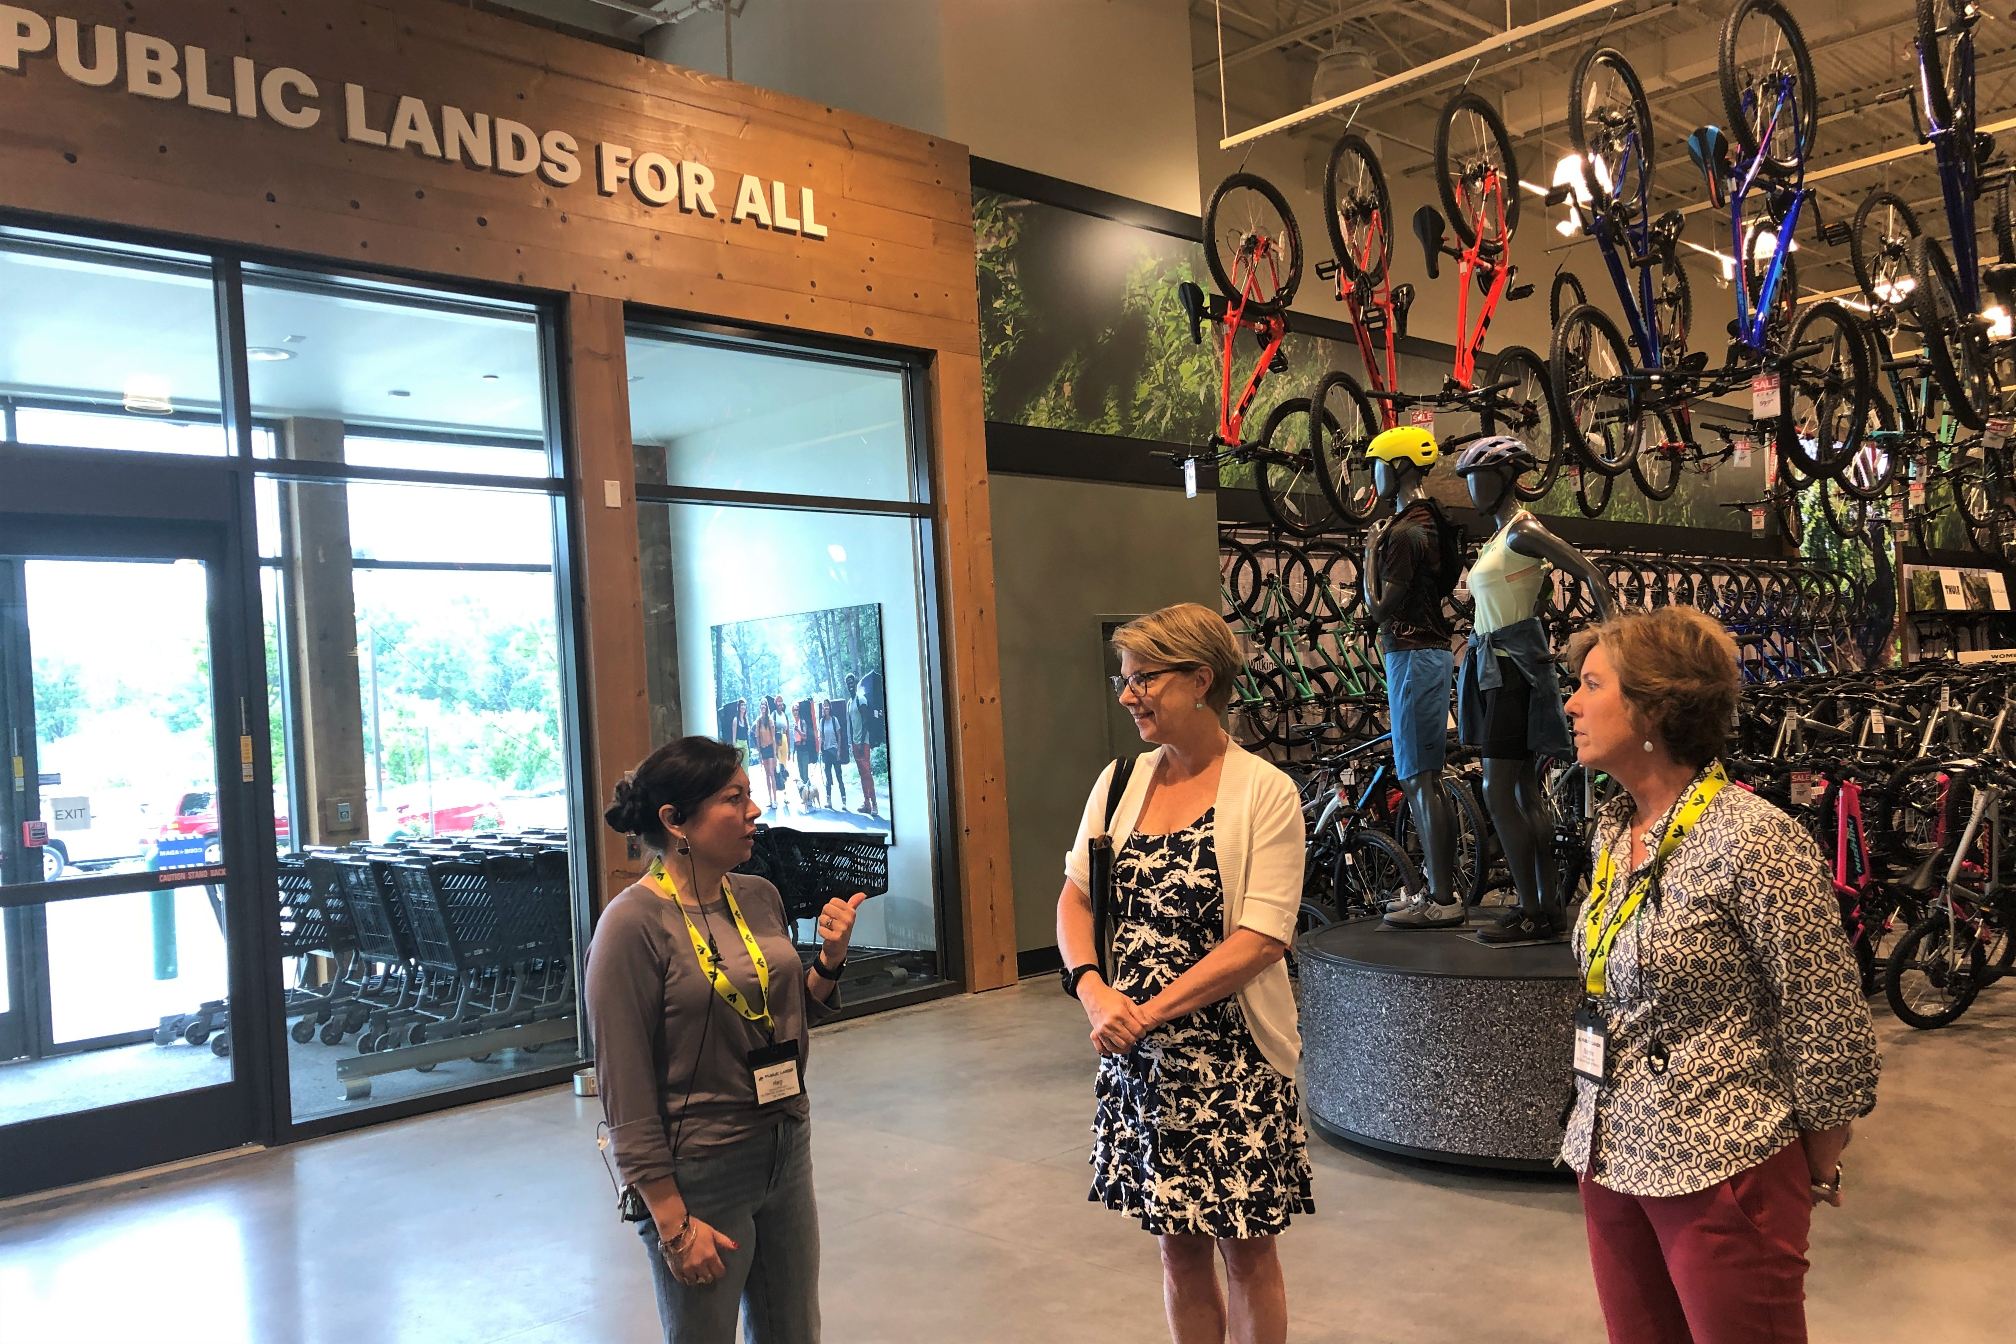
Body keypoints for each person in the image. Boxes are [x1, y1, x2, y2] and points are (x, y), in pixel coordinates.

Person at [1561, 608, 1880, 1344]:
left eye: (1590, 685)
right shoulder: (1615, 830)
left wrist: (1818, 1158)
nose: (1571, 704)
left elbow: (1826, 1014)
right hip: (1610, 1148)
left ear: (1654, 706)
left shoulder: (1756, 839)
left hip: (1723, 1159)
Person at [1054, 602, 1311, 1344]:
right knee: (1176, 1246)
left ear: (1201, 680)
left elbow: (1262, 938)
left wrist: (1149, 1009)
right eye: (1123, 680)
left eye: (1145, 679)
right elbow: (1074, 896)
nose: (1130, 694)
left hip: (1233, 1059)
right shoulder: (1118, 782)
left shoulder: (1265, 791)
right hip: (1138, 1055)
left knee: (1247, 1249)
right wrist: (1093, 989)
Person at [589, 736, 870, 1344]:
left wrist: (828, 962)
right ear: (675, 821)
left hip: (785, 1145)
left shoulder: (757, 896)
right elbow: (624, 1089)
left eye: (749, 795)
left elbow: (785, 1017)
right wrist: (670, 1219)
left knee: (794, 1332)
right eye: (733, 798)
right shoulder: (631, 926)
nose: (755, 811)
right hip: (699, 1170)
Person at [1453, 436, 1616, 944]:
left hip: (1513, 675)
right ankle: (1546, 909)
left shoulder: (1522, 529)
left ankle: (1532, 908)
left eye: (1477, 476)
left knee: (1498, 790)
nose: (1470, 487)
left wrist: (1618, 647)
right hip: (1498, 672)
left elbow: (1591, 574)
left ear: (1502, 477)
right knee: (1523, 791)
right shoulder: (1498, 538)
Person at [1360, 425, 1464, 929]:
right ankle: (1433, 889)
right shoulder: (1430, 522)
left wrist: (1367, 557)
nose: (1373, 473)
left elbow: (1381, 609)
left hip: (1415, 654)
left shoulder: (1402, 533)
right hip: (1422, 655)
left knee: (1422, 779)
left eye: (1377, 462)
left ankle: (1442, 899)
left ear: (1397, 465)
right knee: (1421, 777)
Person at [844, 673, 879, 819]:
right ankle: (866, 804)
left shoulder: (861, 699)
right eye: (848, 682)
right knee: (861, 774)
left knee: (867, 774)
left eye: (852, 681)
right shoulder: (849, 703)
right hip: (855, 742)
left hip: (863, 742)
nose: (850, 684)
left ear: (856, 683)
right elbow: (852, 724)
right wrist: (852, 743)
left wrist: (861, 742)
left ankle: (874, 803)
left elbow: (866, 721)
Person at [818, 701, 847, 811]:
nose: (826, 707)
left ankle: (844, 801)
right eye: (824, 706)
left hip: (834, 751)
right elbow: (821, 736)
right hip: (826, 752)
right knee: (828, 778)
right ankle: (828, 801)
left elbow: (839, 736)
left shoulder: (834, 720)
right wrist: (820, 749)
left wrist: (839, 750)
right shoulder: (822, 722)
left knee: (839, 777)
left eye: (827, 705)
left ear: (830, 707)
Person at [753, 699, 780, 813]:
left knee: (771, 773)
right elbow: (757, 737)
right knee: (766, 774)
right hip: (763, 749)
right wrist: (759, 752)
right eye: (761, 705)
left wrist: (774, 753)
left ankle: (775, 799)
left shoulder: (769, 720)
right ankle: (769, 799)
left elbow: (773, 737)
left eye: (764, 705)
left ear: (767, 707)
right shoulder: (758, 721)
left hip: (770, 748)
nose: (763, 707)